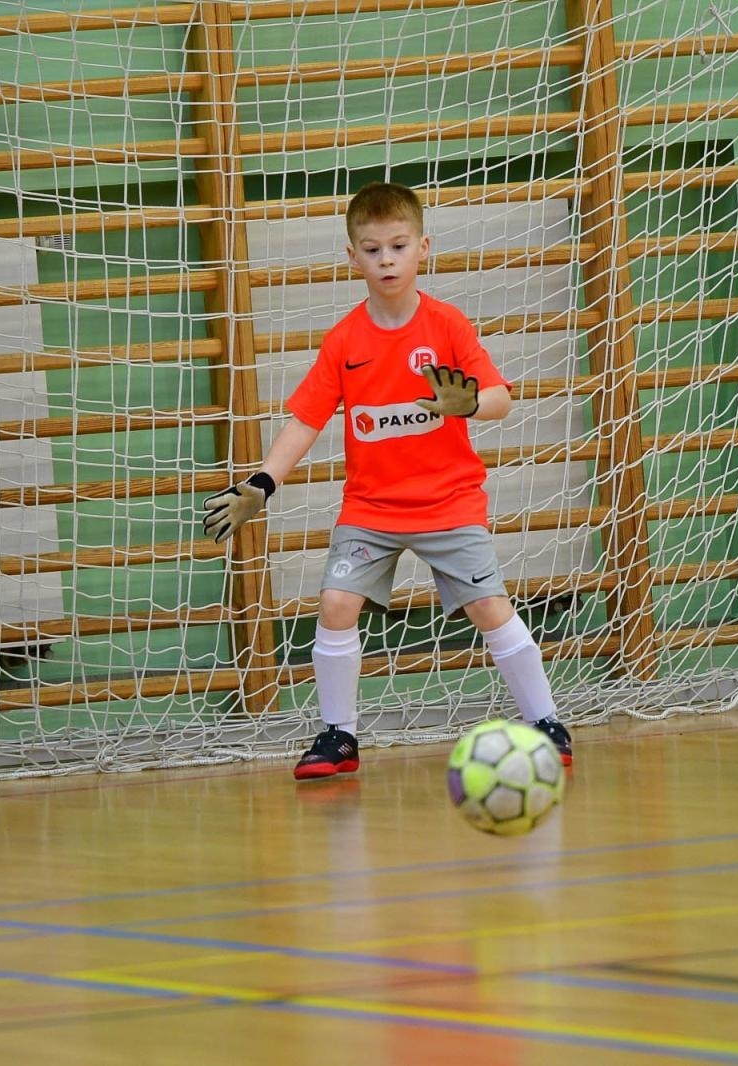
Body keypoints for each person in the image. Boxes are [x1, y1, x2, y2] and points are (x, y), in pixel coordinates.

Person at [202, 182, 572, 780]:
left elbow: (501, 398)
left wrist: (468, 403)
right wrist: (262, 483)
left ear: (423, 248)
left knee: (489, 607)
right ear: (353, 258)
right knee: (336, 603)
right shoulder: (345, 341)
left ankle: (546, 722)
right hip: (371, 509)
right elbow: (304, 421)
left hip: (449, 503)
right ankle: (338, 735)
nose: (387, 260)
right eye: (372, 250)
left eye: (398, 246)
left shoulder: (447, 325)